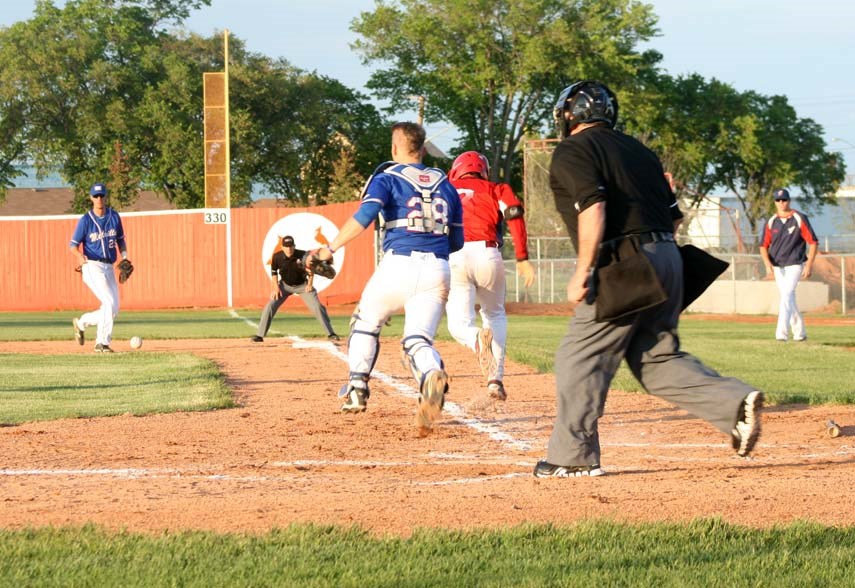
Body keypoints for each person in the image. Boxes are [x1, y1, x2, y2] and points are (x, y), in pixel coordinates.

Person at [537, 80, 763, 478]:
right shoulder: (639, 150)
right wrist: (654, 258)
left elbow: (593, 207)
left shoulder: (573, 149)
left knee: (580, 358)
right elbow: (674, 217)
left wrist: (583, 270)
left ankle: (571, 458)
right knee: (656, 359)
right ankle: (732, 403)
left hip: (626, 261)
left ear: (569, 115)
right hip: (669, 257)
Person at [314, 122, 463, 429]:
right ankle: (430, 374)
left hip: (399, 264)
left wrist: (330, 249)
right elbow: (457, 242)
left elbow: (366, 216)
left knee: (366, 321)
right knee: (417, 339)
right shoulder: (446, 184)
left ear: (394, 149)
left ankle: (356, 390)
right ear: (422, 150)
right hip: (438, 267)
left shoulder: (388, 177)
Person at [445, 151, 535, 401]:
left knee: (459, 324)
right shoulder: (496, 188)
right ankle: (495, 380)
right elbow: (514, 214)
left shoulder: (445, 187)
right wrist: (522, 258)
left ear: (457, 169)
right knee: (494, 314)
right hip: (488, 254)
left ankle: (476, 339)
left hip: (455, 255)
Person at [68, 183, 129, 353]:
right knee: (108, 303)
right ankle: (101, 343)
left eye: (102, 195)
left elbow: (120, 240)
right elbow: (72, 245)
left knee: (113, 309)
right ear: (91, 198)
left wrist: (125, 257)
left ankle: (81, 323)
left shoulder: (114, 217)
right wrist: (80, 257)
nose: (99, 199)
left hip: (109, 266)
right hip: (92, 265)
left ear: (106, 196)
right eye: (96, 196)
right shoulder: (86, 220)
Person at [250, 235, 340, 343]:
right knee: (270, 306)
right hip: (284, 286)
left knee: (317, 306)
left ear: (294, 246)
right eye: (286, 246)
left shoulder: (303, 255)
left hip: (302, 286)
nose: (289, 249)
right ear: (282, 247)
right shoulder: (277, 257)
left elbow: (311, 271)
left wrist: (310, 284)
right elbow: (274, 273)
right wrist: (275, 288)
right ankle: (259, 335)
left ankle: (331, 333)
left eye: (291, 246)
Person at [759, 188, 818, 342]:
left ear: (789, 201)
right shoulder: (772, 221)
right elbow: (763, 245)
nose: (781, 203)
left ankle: (781, 334)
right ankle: (800, 333)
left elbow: (812, 242)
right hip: (778, 265)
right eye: (778, 200)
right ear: (775, 202)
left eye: (784, 200)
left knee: (786, 295)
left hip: (795, 263)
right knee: (789, 297)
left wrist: (809, 265)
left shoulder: (799, 218)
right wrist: (767, 264)